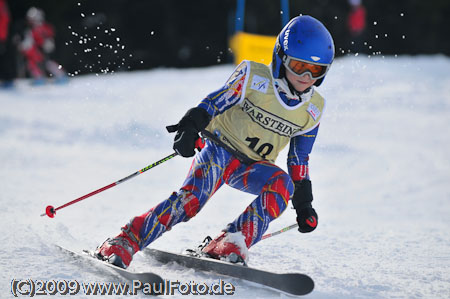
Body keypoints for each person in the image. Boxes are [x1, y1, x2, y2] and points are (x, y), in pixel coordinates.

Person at [95, 15, 335, 269]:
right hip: (219, 150)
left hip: (252, 167)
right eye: (299, 66)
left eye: (316, 70)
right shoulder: (255, 77)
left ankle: (232, 241)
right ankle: (126, 239)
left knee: (282, 185)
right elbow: (215, 101)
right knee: (191, 202)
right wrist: (191, 125)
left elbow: (299, 159)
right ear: (281, 58)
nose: (307, 76)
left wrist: (304, 203)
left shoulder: (313, 109)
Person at [19, 7, 66, 85]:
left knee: (49, 64)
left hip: (44, 50)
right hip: (36, 52)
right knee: (32, 64)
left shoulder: (44, 27)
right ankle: (39, 78)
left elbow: (50, 36)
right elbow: (28, 42)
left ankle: (61, 76)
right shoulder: (31, 30)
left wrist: (47, 42)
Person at [0, 0, 14, 88]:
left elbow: (5, 18)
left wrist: (2, 35)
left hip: (1, 36)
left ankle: (7, 79)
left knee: (3, 58)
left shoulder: (1, 3)